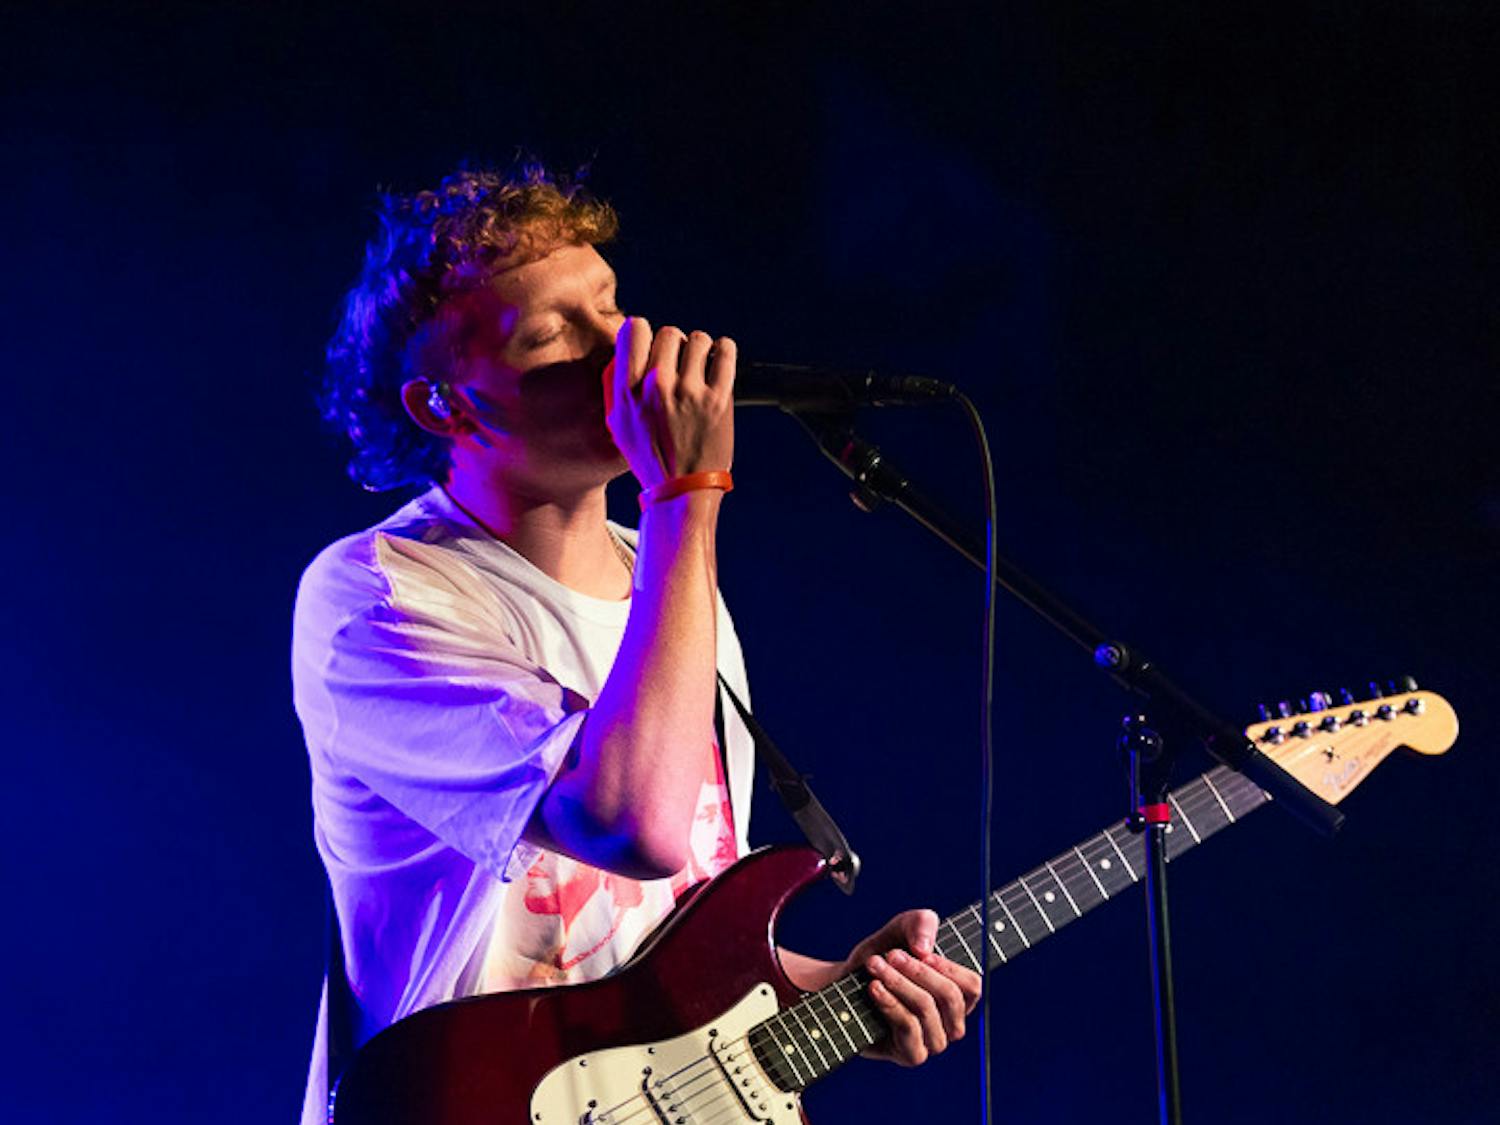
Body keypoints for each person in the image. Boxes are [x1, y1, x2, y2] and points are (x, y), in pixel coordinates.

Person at [294, 164, 980, 1124]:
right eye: (551, 335)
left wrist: (833, 987)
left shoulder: (667, 572)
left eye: (611, 305)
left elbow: (671, 928)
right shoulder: (375, 596)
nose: (620, 348)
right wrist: (685, 496)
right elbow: (634, 827)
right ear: (443, 406)